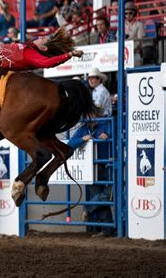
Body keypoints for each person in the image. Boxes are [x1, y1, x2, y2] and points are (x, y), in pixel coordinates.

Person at [67, 68, 112, 238]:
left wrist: (106, 136)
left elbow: (112, 136)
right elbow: (71, 143)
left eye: (92, 113)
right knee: (101, 195)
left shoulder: (106, 125)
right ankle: (104, 228)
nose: (90, 115)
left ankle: (88, 207)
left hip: (105, 162)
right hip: (92, 166)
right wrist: (82, 139)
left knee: (106, 194)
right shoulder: (85, 128)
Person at [124, 1, 145, 66]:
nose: (128, 15)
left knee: (135, 73)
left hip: (135, 54)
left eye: (130, 13)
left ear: (134, 13)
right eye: (126, 13)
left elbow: (140, 40)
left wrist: (132, 50)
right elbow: (117, 39)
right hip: (124, 55)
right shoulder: (122, 25)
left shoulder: (139, 24)